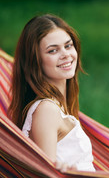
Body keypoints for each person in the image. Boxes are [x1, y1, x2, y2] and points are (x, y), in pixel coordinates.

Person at [8, 14, 95, 172]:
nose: (65, 54)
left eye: (68, 46)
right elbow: (46, 173)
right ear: (36, 61)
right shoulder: (46, 110)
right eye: (53, 50)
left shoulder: (59, 107)